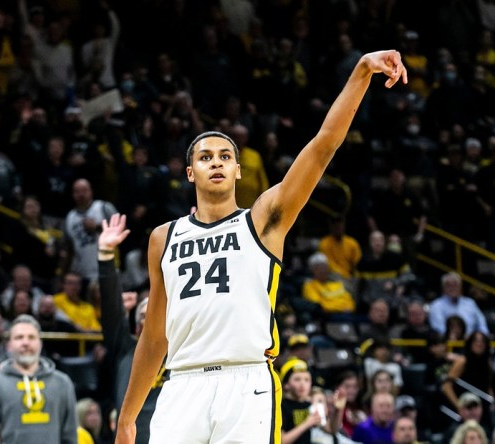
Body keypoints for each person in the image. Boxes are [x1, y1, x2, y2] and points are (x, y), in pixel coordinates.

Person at [115, 50, 407, 444]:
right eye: (205, 157)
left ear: (238, 170)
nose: (215, 162)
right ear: (190, 173)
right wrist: (128, 417)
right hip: (181, 384)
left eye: (225, 156)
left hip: (247, 380)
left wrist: (360, 72)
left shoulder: (262, 219)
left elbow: (322, 147)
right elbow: (154, 337)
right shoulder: (162, 238)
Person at [97, 214, 164, 444]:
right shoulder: (126, 348)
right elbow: (111, 310)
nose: (151, 318)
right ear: (136, 326)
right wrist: (106, 255)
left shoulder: (182, 348)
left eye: (156, 313)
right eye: (144, 315)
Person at [0, 315, 78, 444]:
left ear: (40, 343)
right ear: (9, 345)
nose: (26, 343)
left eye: (31, 337)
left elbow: (70, 436)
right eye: (19, 337)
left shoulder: (62, 383)